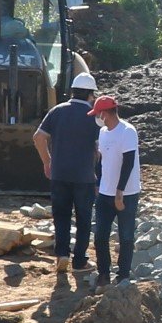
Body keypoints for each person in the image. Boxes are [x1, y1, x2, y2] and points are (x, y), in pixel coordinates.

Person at [31, 72, 100, 285]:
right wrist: (96, 170)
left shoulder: (57, 111)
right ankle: (79, 261)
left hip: (59, 175)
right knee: (84, 219)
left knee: (61, 216)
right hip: (84, 177)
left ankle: (62, 254)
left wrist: (47, 162)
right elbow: (100, 148)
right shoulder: (93, 116)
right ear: (91, 94)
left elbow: (38, 137)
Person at [91, 93, 143, 285]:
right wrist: (98, 183)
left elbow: (128, 163)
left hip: (126, 194)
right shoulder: (103, 132)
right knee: (100, 236)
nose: (97, 118)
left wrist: (120, 191)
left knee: (126, 235)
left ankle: (123, 274)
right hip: (105, 193)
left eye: (98, 114)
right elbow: (101, 159)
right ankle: (104, 273)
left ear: (105, 113)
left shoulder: (127, 131)